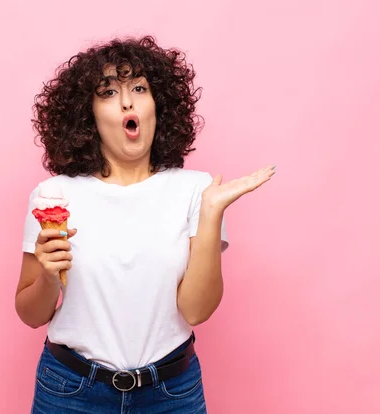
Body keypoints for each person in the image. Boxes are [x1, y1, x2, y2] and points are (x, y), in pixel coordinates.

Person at [15, 36, 275, 413]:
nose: (127, 101)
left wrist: (211, 213)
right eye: (108, 92)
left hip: (170, 393)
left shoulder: (198, 190)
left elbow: (196, 311)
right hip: (71, 392)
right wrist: (50, 277)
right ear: (88, 115)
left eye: (139, 88)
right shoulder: (54, 195)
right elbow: (30, 314)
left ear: (159, 105)